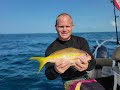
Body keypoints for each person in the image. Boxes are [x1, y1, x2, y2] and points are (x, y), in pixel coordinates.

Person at [45, 13, 96, 88]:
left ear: (72, 27)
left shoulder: (81, 41)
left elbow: (93, 62)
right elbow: (49, 75)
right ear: (56, 27)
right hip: (67, 82)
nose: (64, 30)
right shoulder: (51, 49)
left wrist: (86, 66)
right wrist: (56, 70)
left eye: (67, 26)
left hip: (85, 78)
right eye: (61, 26)